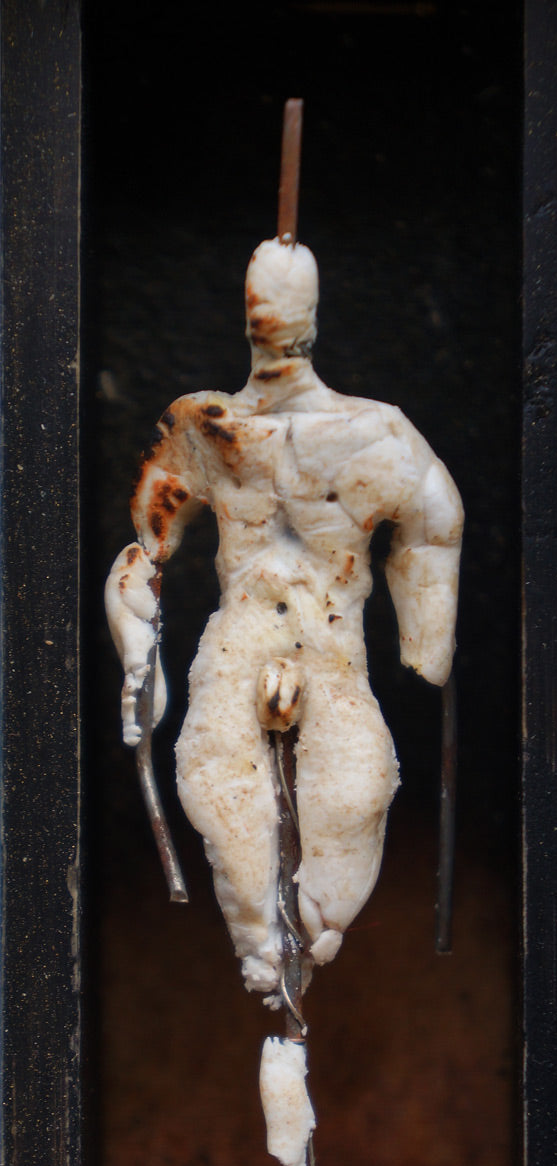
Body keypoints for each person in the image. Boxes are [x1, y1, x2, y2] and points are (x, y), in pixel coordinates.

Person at [106, 237, 463, 997]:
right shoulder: (201, 427)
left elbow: (435, 527)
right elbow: (146, 549)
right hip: (240, 635)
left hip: (332, 643)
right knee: (219, 784)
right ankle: (258, 948)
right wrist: (138, 647)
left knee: (356, 785)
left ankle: (314, 936)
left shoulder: (375, 435)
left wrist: (427, 643)